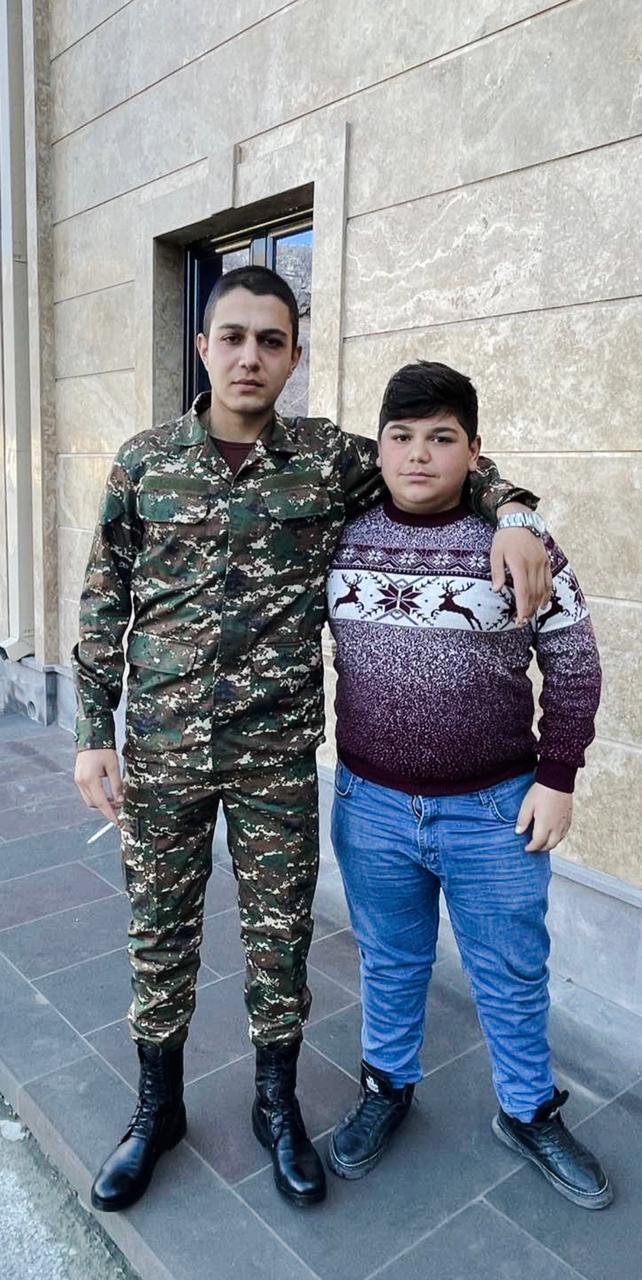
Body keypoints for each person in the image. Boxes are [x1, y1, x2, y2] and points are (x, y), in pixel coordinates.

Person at [73, 269, 550, 1213]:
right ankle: (157, 1111)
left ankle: (276, 1105)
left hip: (275, 755)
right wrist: (94, 733)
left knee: (280, 935)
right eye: (233, 336)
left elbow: (439, 454)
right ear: (203, 347)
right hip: (164, 750)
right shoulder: (145, 462)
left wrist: (517, 512)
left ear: (293, 356)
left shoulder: (330, 460)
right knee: (158, 932)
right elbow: (103, 600)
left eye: (272, 340)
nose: (250, 356)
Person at [326, 360, 611, 1210]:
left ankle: (528, 1111)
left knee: (511, 970)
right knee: (389, 958)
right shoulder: (339, 537)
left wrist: (558, 776)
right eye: (402, 437)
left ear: (474, 451)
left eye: (441, 438)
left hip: (494, 810)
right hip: (370, 805)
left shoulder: (517, 545)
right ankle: (387, 1088)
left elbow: (574, 661)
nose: (419, 455)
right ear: (379, 448)